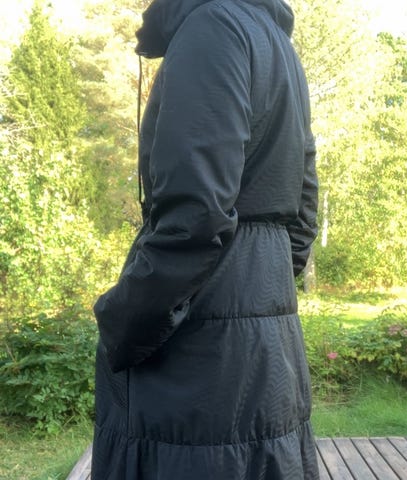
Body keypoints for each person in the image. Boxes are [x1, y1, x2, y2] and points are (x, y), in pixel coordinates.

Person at [91, 0, 319, 478]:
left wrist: (124, 319)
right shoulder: (276, 44)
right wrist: (263, 284)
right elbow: (302, 213)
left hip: (197, 359)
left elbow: (196, 214)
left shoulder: (212, 28)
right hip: (266, 350)